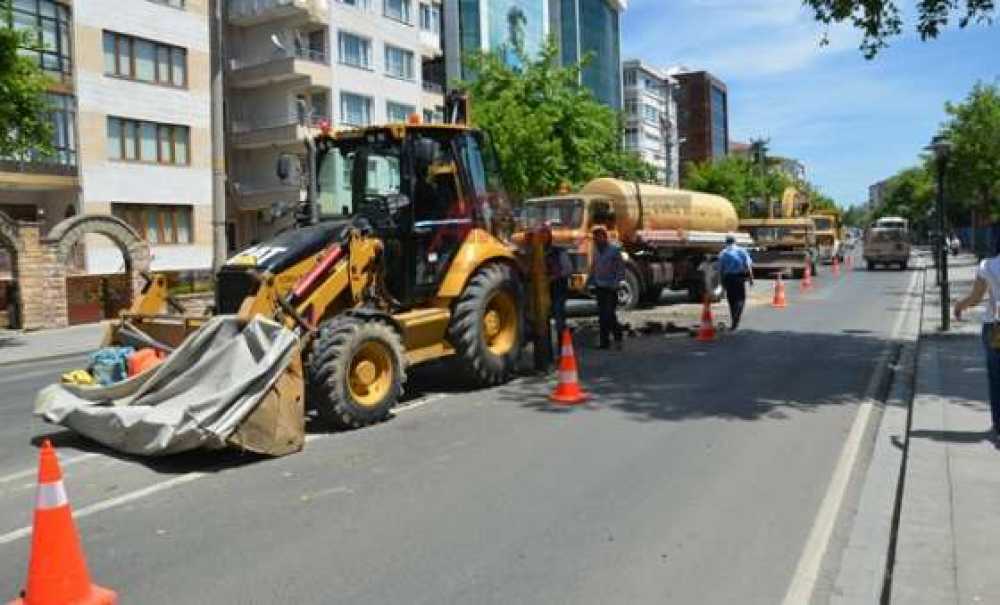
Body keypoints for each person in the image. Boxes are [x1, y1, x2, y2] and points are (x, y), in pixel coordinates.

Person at [954, 240, 1000, 438]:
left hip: (995, 327)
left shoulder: (987, 265)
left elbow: (975, 297)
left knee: (996, 378)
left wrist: (959, 306)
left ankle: (999, 426)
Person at [588, 226, 625, 350]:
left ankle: (618, 337)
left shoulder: (614, 250)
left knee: (609, 314)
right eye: (595, 237)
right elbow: (594, 267)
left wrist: (617, 283)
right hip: (600, 286)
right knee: (602, 315)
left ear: (604, 237)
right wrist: (589, 282)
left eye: (599, 236)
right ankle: (604, 342)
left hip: (611, 287)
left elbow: (620, 269)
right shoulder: (596, 251)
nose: (596, 239)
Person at [541, 224, 572, 355]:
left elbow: (568, 270)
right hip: (544, 291)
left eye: (545, 234)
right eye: (541, 235)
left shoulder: (559, 252)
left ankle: (562, 350)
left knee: (559, 320)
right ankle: (547, 353)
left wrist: (554, 277)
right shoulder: (537, 253)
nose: (543, 237)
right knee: (544, 322)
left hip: (558, 288)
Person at [718, 234, 753, 330]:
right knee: (741, 298)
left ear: (726, 242)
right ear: (735, 241)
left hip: (728, 278)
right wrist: (751, 279)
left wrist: (721, 282)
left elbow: (720, 269)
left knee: (731, 300)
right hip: (739, 277)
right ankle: (736, 318)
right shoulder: (742, 251)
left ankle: (734, 319)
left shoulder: (723, 253)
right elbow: (748, 266)